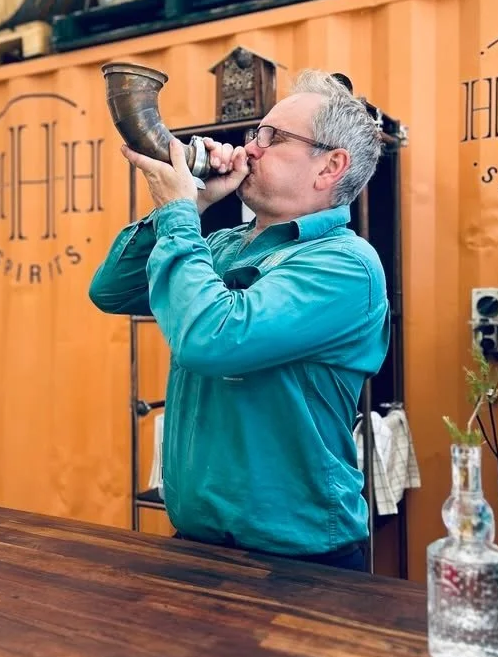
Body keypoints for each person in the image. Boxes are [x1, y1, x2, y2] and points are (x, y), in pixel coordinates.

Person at [88, 69, 389, 572]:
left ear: (330, 166)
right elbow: (111, 290)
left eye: (273, 138)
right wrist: (196, 203)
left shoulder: (346, 265)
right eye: (255, 135)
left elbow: (212, 339)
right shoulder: (226, 245)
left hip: (299, 563)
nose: (250, 149)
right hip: (196, 542)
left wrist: (180, 212)